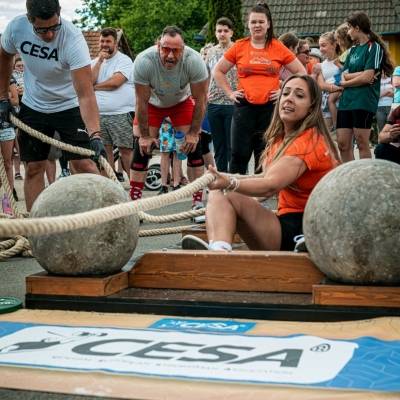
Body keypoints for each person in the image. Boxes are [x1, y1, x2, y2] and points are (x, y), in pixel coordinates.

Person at [182, 74, 340, 252]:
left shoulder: (307, 143)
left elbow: (269, 186)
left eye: (299, 95)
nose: (289, 99)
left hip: (310, 228)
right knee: (220, 193)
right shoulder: (280, 139)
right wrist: (223, 180)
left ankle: (219, 253)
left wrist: (229, 182)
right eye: (285, 93)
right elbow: (265, 179)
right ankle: (218, 249)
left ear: (311, 107)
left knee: (229, 194)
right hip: (287, 223)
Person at [0, 0, 105, 211]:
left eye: (54, 27)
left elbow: (86, 94)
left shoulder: (73, 39)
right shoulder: (16, 28)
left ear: (59, 13)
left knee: (84, 164)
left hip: (69, 105)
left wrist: (95, 134)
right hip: (34, 106)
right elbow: (4, 56)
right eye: (42, 30)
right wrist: (2, 98)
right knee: (33, 168)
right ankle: (37, 225)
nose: (49, 35)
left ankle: (109, 214)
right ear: (30, 20)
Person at [213, 2, 305, 175]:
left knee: (264, 155)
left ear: (268, 24)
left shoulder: (277, 46)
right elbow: (218, 71)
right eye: (253, 22)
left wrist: (284, 92)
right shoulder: (240, 46)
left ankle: (261, 190)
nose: (257, 25)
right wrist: (230, 93)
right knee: (238, 154)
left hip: (269, 109)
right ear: (248, 24)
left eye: (261, 22)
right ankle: (236, 189)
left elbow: (301, 72)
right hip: (244, 108)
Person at [130, 25, 209, 208]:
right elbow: (141, 101)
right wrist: (145, 136)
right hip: (152, 103)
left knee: (194, 145)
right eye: (166, 49)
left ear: (183, 49)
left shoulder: (194, 60)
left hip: (181, 102)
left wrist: (193, 133)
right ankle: (134, 204)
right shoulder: (144, 60)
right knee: (141, 147)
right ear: (158, 46)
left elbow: (201, 100)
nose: (171, 56)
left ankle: (197, 202)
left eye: (176, 50)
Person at [336, 11, 394, 162]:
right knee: (342, 144)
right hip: (346, 101)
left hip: (363, 101)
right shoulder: (353, 50)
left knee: (362, 143)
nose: (348, 32)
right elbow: (345, 74)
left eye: (349, 28)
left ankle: (364, 174)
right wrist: (360, 75)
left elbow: (368, 77)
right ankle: (350, 174)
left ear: (357, 28)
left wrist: (346, 83)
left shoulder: (374, 47)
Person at [91, 27, 135, 180]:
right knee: (104, 152)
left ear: (115, 43)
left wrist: (95, 87)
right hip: (98, 115)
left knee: (126, 151)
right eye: (102, 41)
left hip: (120, 114)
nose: (104, 44)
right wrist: (99, 61)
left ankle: (135, 185)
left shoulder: (124, 60)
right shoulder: (94, 62)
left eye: (108, 41)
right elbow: (88, 81)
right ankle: (109, 185)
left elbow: (115, 82)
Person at [205, 17, 237, 173]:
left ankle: (234, 177)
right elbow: (206, 74)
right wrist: (205, 94)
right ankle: (221, 176)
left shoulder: (238, 49)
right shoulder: (210, 52)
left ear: (231, 32)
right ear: (215, 33)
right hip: (214, 102)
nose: (222, 34)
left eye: (225, 31)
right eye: (219, 31)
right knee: (218, 145)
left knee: (232, 144)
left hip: (232, 102)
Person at [0, 76, 19, 214]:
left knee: (7, 163)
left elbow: (15, 100)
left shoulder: (8, 77)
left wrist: (4, 97)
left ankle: (8, 199)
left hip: (5, 127)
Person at [317, 31, 343, 132]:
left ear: (334, 44)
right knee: (327, 134)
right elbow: (321, 84)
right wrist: (336, 88)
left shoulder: (342, 60)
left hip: (342, 102)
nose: (321, 49)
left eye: (323, 45)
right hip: (326, 103)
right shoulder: (321, 65)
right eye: (320, 46)